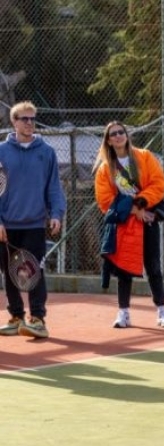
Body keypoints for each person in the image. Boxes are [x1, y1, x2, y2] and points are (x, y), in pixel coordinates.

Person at [94, 121, 164, 329]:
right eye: (114, 134)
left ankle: (162, 311)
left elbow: (158, 183)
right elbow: (105, 200)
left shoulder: (145, 157)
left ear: (127, 135)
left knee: (153, 265)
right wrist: (134, 211)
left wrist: (142, 203)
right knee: (123, 268)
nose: (119, 136)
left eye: (122, 132)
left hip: (147, 220)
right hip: (125, 223)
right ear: (109, 141)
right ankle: (123, 313)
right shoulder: (105, 169)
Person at [0, 101, 66, 338]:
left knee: (33, 271)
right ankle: (16, 317)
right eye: (24, 119)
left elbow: (53, 187)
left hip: (35, 224)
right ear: (14, 122)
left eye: (32, 119)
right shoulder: (1, 152)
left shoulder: (46, 152)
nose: (29, 123)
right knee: (9, 272)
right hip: (7, 225)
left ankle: (37, 319)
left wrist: (56, 213)